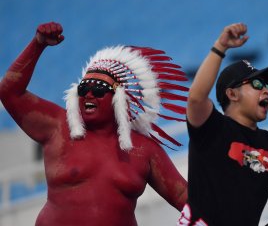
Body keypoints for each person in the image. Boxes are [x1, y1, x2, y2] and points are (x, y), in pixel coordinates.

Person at [0, 22, 188, 226]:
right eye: (83, 89)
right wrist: (38, 45)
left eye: (99, 89)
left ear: (119, 100)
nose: (89, 94)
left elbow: (183, 197)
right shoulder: (58, 126)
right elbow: (9, 92)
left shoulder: (144, 149)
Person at [177, 23, 268, 226]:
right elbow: (196, 99)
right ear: (232, 94)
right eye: (257, 84)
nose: (267, 91)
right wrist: (220, 47)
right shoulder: (212, 127)